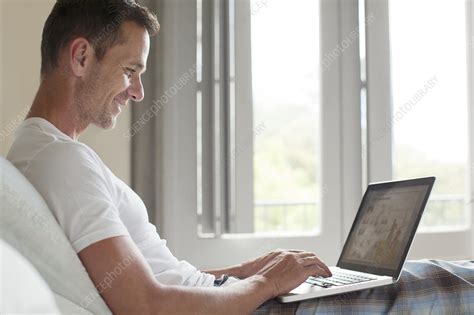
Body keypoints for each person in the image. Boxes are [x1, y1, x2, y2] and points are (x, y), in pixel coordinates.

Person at [7, 1, 331, 314]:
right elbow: (147, 306)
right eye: (130, 70)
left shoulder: (35, 149)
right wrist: (267, 282)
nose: (137, 92)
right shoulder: (63, 161)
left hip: (219, 297)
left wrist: (245, 272)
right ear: (81, 56)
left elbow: (155, 280)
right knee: (381, 294)